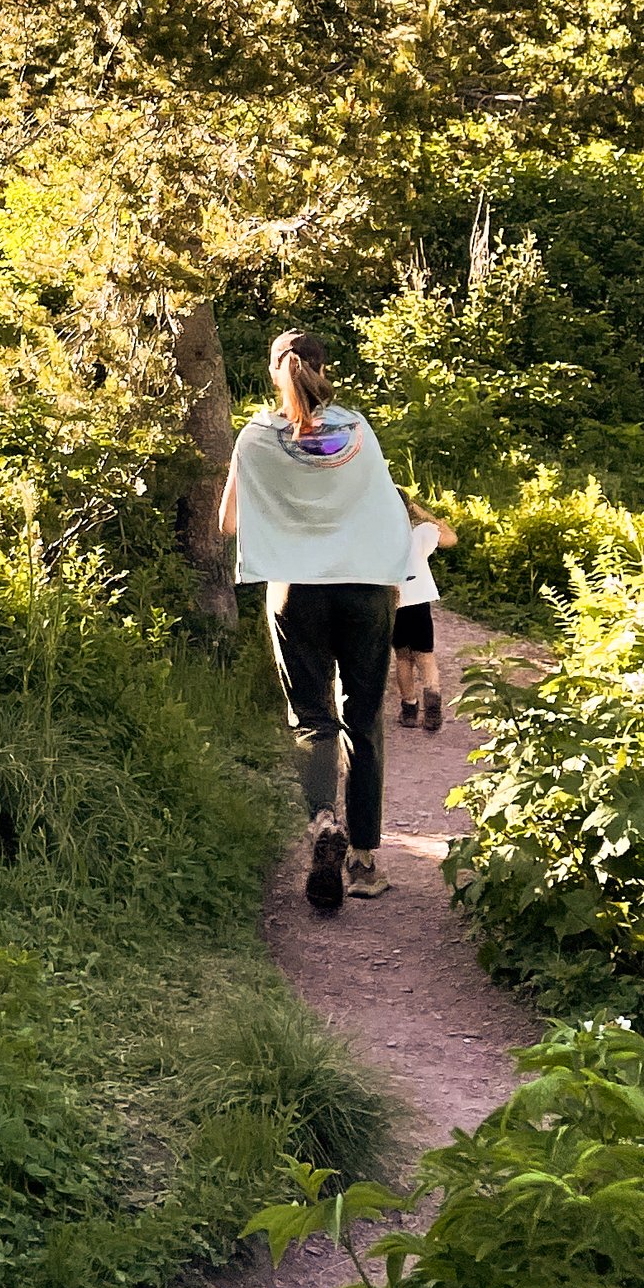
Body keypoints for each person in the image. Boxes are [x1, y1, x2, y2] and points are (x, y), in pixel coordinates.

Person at [218, 328, 411, 914]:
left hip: (296, 592)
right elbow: (384, 510)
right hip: (364, 591)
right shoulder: (356, 430)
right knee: (363, 718)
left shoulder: (255, 436)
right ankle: (365, 859)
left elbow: (228, 524)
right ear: (326, 368)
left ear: (276, 371)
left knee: (313, 719)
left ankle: (324, 822)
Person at [393, 495, 456, 731]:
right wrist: (424, 514)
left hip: (396, 602)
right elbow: (450, 538)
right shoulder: (420, 533)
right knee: (425, 655)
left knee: (402, 657)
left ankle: (409, 709)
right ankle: (433, 702)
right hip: (420, 600)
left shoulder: (378, 535)